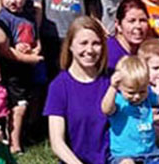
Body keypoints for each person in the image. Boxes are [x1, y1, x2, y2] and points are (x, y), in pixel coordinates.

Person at [45, 17, 112, 164]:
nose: (90, 50)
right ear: (70, 45)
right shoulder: (59, 86)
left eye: (96, 43)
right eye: (83, 43)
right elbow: (57, 142)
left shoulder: (112, 81)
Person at [0, 0, 45, 153]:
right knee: (18, 106)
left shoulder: (28, 14)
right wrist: (24, 55)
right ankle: (14, 144)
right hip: (11, 70)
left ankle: (24, 135)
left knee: (28, 103)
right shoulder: (2, 19)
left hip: (27, 68)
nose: (12, 1)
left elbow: (34, 36)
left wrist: (35, 48)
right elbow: (4, 49)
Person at [101, 56, 159, 164]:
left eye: (142, 91)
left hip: (150, 152)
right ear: (120, 87)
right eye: (131, 93)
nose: (137, 96)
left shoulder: (147, 98)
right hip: (124, 155)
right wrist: (112, 88)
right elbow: (106, 109)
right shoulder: (118, 101)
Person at [106, 0, 151, 70]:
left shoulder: (146, 52)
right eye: (132, 21)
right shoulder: (109, 54)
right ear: (118, 25)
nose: (138, 26)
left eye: (142, 20)